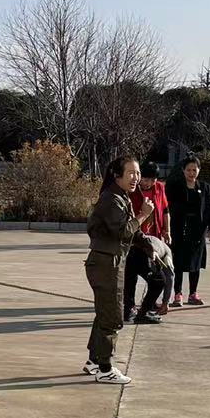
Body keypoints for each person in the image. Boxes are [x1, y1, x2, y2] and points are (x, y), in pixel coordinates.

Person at [84, 157, 141, 385]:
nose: (136, 178)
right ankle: (105, 368)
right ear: (117, 176)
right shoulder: (111, 199)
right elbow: (123, 231)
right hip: (106, 264)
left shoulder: (120, 197)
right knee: (112, 317)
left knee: (104, 314)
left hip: (109, 262)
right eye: (131, 173)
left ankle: (94, 361)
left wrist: (151, 249)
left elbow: (132, 234)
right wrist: (143, 215)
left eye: (137, 173)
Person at [166, 156, 210, 306]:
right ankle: (178, 294)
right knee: (178, 263)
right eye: (188, 170)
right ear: (183, 170)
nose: (191, 173)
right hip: (179, 229)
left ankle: (193, 293)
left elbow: (209, 209)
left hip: (197, 230)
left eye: (194, 170)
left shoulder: (205, 187)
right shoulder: (175, 187)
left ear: (199, 170)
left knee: (195, 263)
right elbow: (168, 208)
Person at [125, 160, 171, 320]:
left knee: (153, 275)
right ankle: (135, 310)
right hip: (137, 240)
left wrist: (167, 230)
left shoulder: (159, 188)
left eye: (152, 180)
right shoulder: (132, 191)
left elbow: (165, 210)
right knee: (150, 278)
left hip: (153, 239)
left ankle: (139, 307)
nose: (148, 183)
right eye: (145, 179)